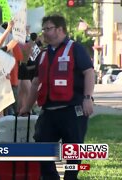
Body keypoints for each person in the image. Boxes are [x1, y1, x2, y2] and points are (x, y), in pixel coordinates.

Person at [20, 14, 94, 180]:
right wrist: (27, 106)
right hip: (49, 111)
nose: (44, 32)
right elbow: (35, 83)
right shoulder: (44, 54)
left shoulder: (75, 49)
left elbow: (89, 72)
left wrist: (88, 98)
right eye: (44, 29)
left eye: (48, 28)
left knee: (73, 153)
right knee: (41, 149)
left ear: (60, 29)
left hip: (72, 110)